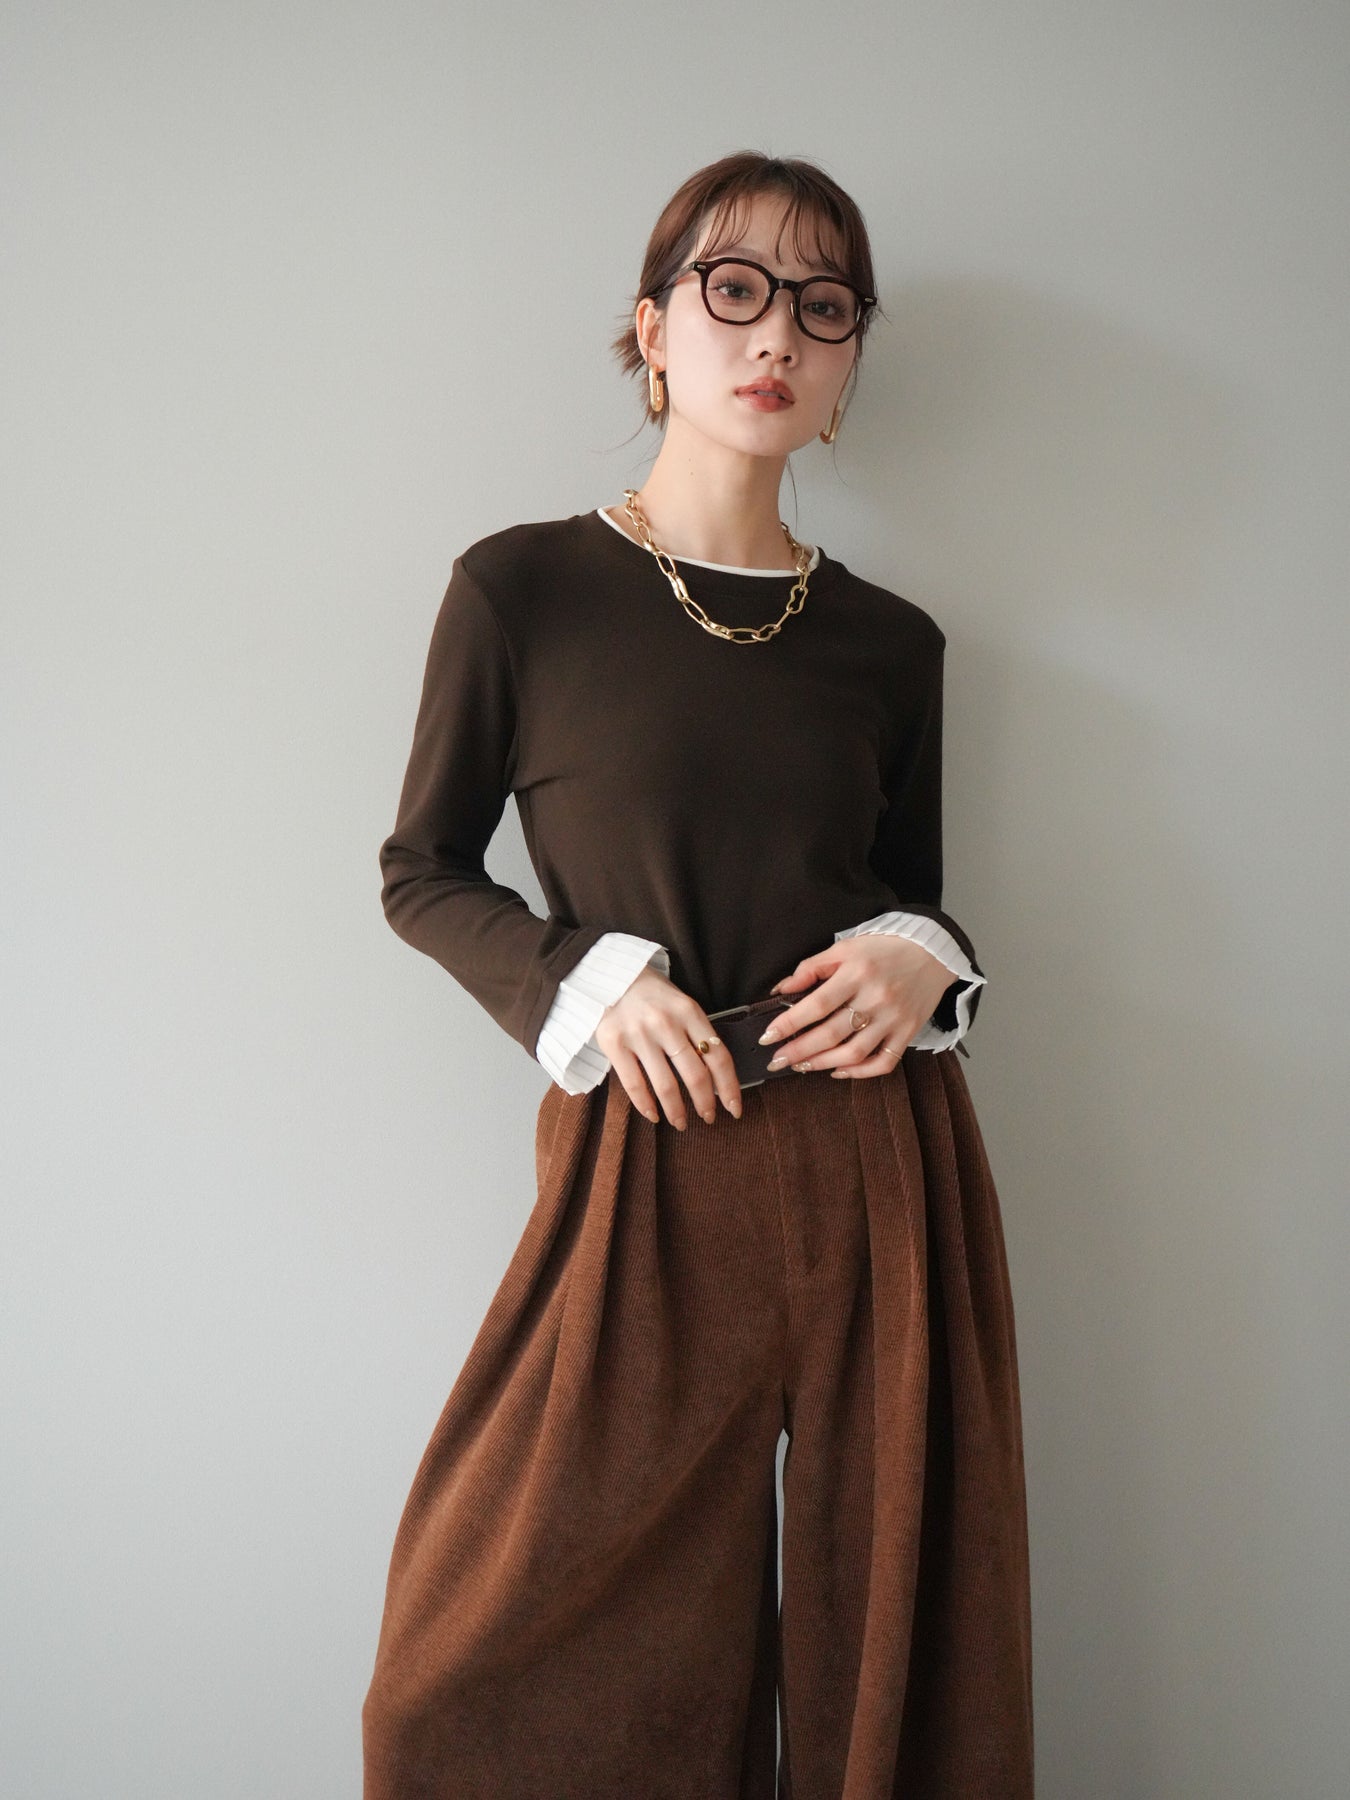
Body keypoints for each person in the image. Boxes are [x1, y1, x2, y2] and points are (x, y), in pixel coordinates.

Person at [362, 151, 1034, 1799]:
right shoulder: (522, 590)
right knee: (467, 1680)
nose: (776, 334)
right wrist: (581, 983)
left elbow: (910, 897)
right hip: (646, 1145)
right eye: (733, 289)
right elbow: (420, 872)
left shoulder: (893, 642)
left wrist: (923, 957)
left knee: (903, 1633)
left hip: (881, 1154)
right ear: (653, 331)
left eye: (824, 306)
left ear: (849, 361)